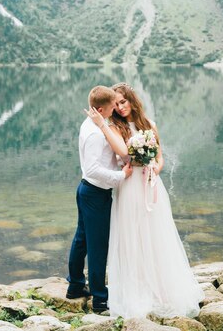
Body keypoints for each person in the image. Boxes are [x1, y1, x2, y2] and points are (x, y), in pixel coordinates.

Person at [86, 82, 204, 319]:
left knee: (156, 233)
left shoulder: (150, 125)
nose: (119, 108)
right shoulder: (115, 127)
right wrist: (103, 125)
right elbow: (123, 153)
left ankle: (161, 288)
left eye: (123, 102)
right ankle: (137, 289)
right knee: (133, 234)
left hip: (150, 185)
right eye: (116, 104)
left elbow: (160, 157)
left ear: (132, 100)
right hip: (129, 187)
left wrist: (156, 169)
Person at [66, 86, 133, 313]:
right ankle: (100, 300)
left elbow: (101, 160)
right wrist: (121, 176)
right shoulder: (95, 132)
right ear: (102, 109)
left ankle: (75, 285)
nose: (117, 107)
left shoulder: (92, 124)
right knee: (98, 247)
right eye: (114, 104)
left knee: (82, 239)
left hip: (86, 190)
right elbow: (94, 169)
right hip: (95, 192)